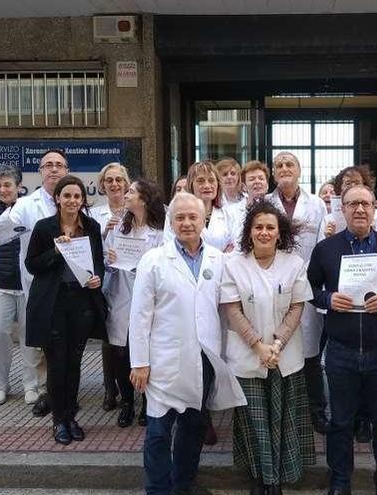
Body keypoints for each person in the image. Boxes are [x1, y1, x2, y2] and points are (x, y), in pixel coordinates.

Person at [129, 192, 246, 495]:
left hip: (204, 360)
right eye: (179, 217)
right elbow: (139, 315)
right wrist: (139, 362)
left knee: (193, 429)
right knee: (158, 432)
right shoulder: (153, 260)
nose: (187, 223)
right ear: (171, 222)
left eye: (192, 216)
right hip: (162, 363)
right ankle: (157, 489)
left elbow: (227, 310)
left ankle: (183, 484)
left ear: (204, 219)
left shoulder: (219, 260)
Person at [307, 184, 377, 495]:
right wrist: (328, 299)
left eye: (365, 204)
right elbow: (308, 290)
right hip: (341, 351)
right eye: (353, 204)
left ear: (375, 210)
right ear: (342, 209)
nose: (359, 210)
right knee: (340, 421)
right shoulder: (325, 249)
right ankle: (340, 480)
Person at [221, 200, 316, 495]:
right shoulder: (233, 264)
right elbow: (232, 310)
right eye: (258, 227)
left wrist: (276, 345)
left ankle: (278, 478)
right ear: (249, 232)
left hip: (283, 356)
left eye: (270, 228)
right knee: (255, 422)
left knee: (281, 419)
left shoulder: (294, 263)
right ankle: (261, 479)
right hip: (248, 356)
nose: (264, 232)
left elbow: (297, 307)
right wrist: (257, 346)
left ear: (279, 232)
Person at [25, 175, 108, 445]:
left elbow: (98, 263)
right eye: (67, 196)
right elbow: (32, 265)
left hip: (82, 302)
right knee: (57, 364)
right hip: (53, 303)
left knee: (74, 363)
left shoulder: (92, 226)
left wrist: (98, 279)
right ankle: (59, 420)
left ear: (83, 200)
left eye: (77, 196)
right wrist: (57, 251)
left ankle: (71, 415)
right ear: (57, 198)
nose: (72, 200)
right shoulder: (44, 227)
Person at [0, 148, 71, 417]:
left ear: (66, 170)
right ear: (40, 172)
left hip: (70, 286)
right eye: (47, 165)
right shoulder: (26, 205)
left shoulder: (74, 199)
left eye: (58, 165)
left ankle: (65, 391)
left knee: (67, 342)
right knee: (41, 342)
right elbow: (2, 231)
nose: (53, 169)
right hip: (38, 284)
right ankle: (45, 392)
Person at [266, 152, 328, 434]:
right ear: (273, 172)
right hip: (273, 285)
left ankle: (317, 410)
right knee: (277, 348)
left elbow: (322, 245)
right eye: (279, 165)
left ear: (299, 170)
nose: (284, 169)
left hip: (308, 284)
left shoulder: (316, 204)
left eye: (289, 164)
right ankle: (279, 410)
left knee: (311, 353)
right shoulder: (264, 203)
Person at [102, 178, 166, 427]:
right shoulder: (120, 227)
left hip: (150, 299)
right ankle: (127, 401)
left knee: (146, 351)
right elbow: (107, 260)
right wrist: (111, 257)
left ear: (144, 199)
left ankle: (148, 404)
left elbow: (163, 267)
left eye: (131, 192)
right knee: (121, 353)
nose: (125, 195)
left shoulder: (160, 232)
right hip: (121, 295)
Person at [0, 165, 38, 406]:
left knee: (29, 336)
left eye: (7, 185)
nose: (3, 189)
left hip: (28, 283)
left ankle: (31, 385)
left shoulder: (28, 209)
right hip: (0, 285)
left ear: (19, 187)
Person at [89, 162, 131, 412]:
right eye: (109, 180)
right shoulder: (95, 214)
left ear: (127, 183)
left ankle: (132, 387)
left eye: (119, 180)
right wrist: (104, 233)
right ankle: (109, 388)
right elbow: (90, 248)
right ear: (102, 185)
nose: (115, 184)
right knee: (110, 339)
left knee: (131, 338)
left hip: (131, 281)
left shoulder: (135, 210)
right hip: (106, 282)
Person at [166, 160, 235, 254]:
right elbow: (171, 245)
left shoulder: (229, 214)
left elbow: (235, 248)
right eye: (200, 181)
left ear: (218, 185)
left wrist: (219, 259)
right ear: (191, 185)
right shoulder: (175, 212)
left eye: (211, 180)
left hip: (222, 266)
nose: (207, 186)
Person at [319, 166, 374, 240]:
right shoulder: (329, 220)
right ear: (339, 188)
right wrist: (329, 239)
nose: (353, 186)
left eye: (357, 183)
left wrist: (373, 233)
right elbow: (321, 248)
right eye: (348, 183)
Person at [225, 160, 272, 244]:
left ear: (267, 185)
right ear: (244, 187)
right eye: (252, 179)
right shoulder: (231, 211)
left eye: (261, 178)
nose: (257, 182)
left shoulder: (276, 209)